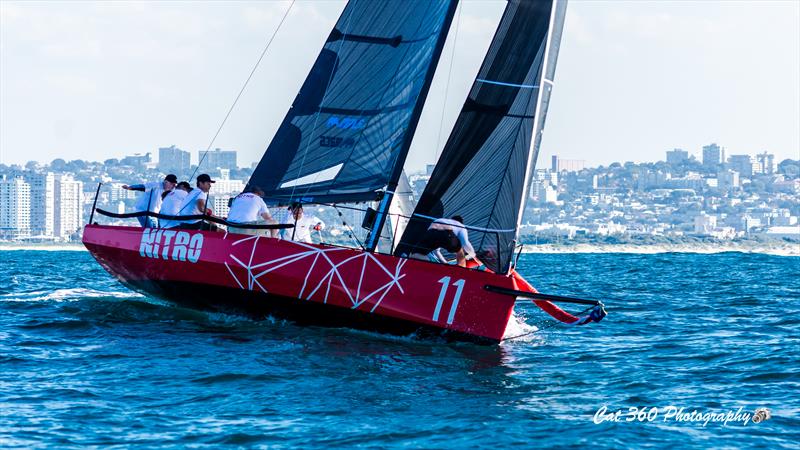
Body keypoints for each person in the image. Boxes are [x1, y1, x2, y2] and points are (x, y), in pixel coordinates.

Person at [410, 215, 483, 268]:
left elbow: (436, 251)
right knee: (460, 249)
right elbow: (466, 244)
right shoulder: (460, 226)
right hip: (447, 232)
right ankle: (461, 269)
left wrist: (444, 263)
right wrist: (475, 257)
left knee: (415, 254)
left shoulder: (441, 219)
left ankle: (433, 266)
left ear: (451, 219)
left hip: (431, 232)